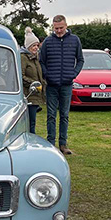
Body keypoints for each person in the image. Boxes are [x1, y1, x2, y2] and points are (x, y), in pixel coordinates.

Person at [39, 15, 84, 155]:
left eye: (61, 28)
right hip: (52, 85)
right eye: (56, 28)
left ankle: (63, 144)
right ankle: (51, 143)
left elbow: (80, 60)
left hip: (67, 84)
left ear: (66, 26)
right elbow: (41, 61)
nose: (58, 30)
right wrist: (47, 75)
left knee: (64, 115)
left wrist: (73, 74)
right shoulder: (47, 41)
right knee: (51, 115)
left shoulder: (75, 40)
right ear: (53, 27)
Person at [20, 27, 46, 134]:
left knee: (33, 122)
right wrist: (33, 84)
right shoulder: (23, 58)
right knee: (29, 122)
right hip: (28, 95)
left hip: (35, 95)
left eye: (37, 45)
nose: (36, 48)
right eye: (33, 46)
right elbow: (21, 76)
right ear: (28, 47)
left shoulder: (36, 58)